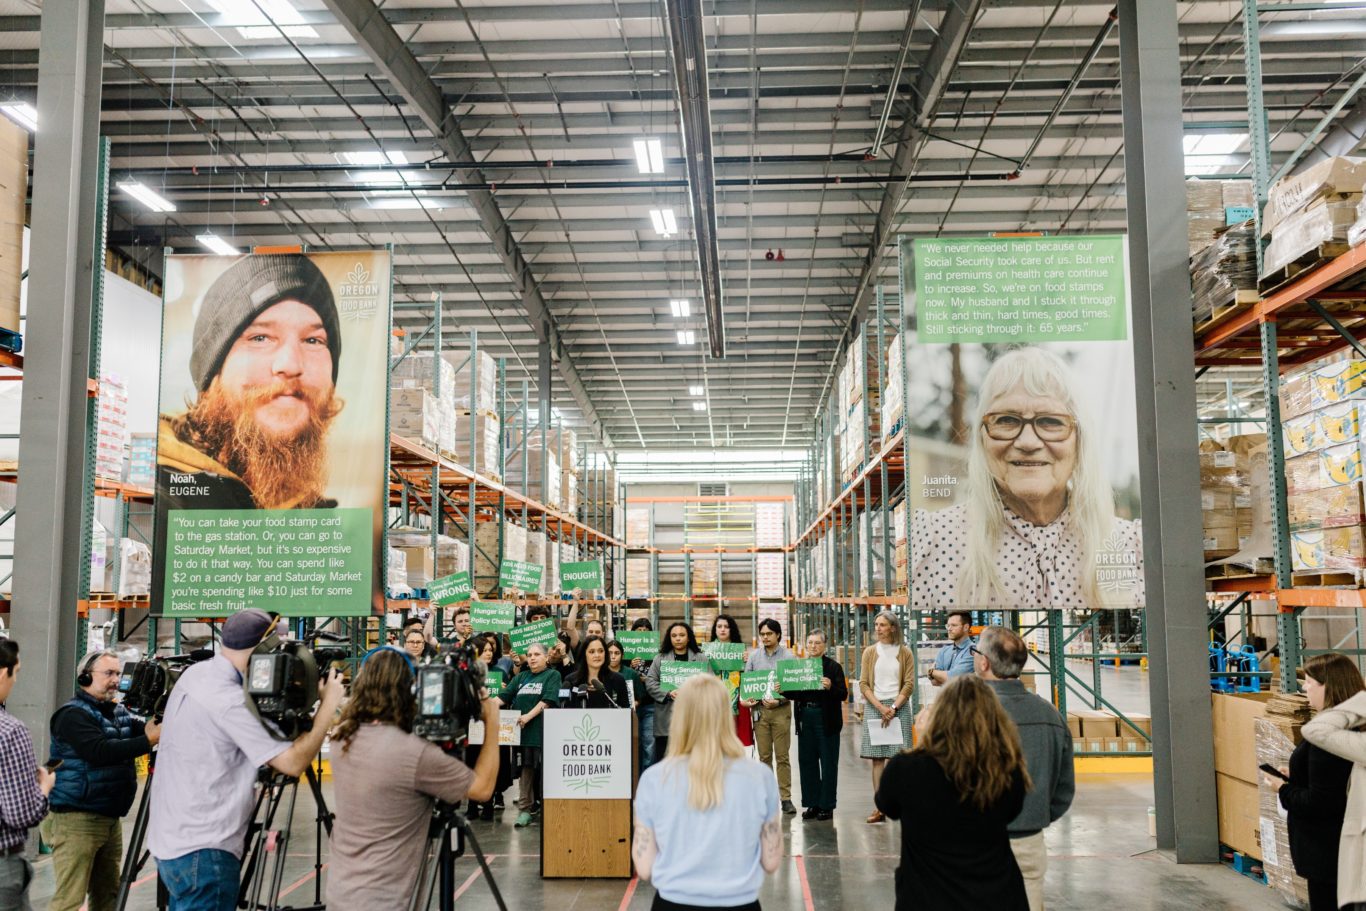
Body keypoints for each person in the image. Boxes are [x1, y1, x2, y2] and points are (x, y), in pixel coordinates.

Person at [911, 346, 1144, 611]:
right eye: (1007, 420)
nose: (1027, 441)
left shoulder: (1130, 546)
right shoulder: (933, 541)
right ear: (982, 437)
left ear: (1080, 439)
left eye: (1051, 422)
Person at [148, 609, 345, 911]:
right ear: (264, 649)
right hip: (205, 850)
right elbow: (292, 763)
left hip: (172, 841)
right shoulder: (230, 702)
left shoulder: (196, 675)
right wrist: (327, 707)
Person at [156, 254, 344, 514]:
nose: (290, 365)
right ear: (213, 373)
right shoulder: (158, 495)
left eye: (313, 341)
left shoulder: (315, 515)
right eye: (260, 338)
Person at [326, 648, 502, 910]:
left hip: (342, 891)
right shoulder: (415, 754)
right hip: (386, 900)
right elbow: (483, 788)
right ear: (410, 689)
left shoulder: (343, 738)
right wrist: (493, 722)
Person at [875, 675, 1031, 911]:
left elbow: (887, 805)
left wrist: (921, 744)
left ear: (939, 717)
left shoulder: (906, 769)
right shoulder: (1006, 770)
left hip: (928, 897)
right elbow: (1012, 812)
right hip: (997, 896)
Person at [633, 674, 782, 910]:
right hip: (739, 901)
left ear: (680, 716)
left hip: (673, 901)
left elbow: (644, 867)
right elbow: (771, 861)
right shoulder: (760, 777)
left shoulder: (654, 779)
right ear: (725, 714)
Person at [43, 651, 161, 911]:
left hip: (109, 818)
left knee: (108, 895)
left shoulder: (116, 712)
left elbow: (142, 728)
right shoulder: (72, 715)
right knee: (69, 899)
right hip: (77, 819)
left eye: (118, 674)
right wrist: (148, 741)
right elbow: (99, 751)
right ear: (85, 677)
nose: (115, 680)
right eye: (108, 673)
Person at [974, 627, 1075, 910]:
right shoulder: (1050, 715)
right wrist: (1032, 816)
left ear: (984, 662)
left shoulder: (965, 713)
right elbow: (1064, 788)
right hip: (1029, 840)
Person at [1284, 654, 1366, 911]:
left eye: (1309, 682)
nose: (1304, 688)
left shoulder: (1330, 739)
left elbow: (1321, 802)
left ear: (1329, 686)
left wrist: (1283, 789)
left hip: (1330, 853)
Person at [0, 639, 56, 911]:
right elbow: (20, 815)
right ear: (3, 672)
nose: (15, 681)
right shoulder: (10, 731)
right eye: (17, 672)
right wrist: (44, 787)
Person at [859, 610, 915, 824]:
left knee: (899, 759)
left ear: (893, 628)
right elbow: (864, 684)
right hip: (876, 706)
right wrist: (881, 708)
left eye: (882, 625)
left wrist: (892, 707)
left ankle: (901, 804)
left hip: (898, 707)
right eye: (876, 625)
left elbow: (909, 684)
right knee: (877, 759)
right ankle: (879, 807)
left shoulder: (905, 653)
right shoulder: (870, 652)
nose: (878, 629)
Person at [786, 630, 847, 822]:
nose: (813, 646)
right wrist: (784, 690)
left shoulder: (833, 667)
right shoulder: (800, 666)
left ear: (824, 645)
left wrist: (831, 687)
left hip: (826, 718)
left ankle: (826, 805)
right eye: (810, 643)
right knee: (807, 761)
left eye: (817, 643)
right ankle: (812, 803)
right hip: (805, 717)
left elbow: (843, 694)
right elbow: (796, 693)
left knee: (828, 762)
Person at [500, 643, 561, 828]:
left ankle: (550, 809)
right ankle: (525, 810)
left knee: (547, 774)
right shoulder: (521, 677)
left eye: (537, 654)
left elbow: (548, 701)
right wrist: (483, 707)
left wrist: (528, 716)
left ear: (546, 658)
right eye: (529, 654)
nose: (532, 658)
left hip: (543, 733)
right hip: (523, 735)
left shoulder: (552, 675)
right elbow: (503, 697)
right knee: (525, 773)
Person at [741, 619, 797, 816]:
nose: (765, 637)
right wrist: (747, 699)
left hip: (781, 712)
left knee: (782, 756)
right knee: (764, 757)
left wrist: (779, 701)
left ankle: (786, 798)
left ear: (778, 635)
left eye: (769, 634)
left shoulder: (789, 657)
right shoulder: (754, 658)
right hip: (760, 712)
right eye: (762, 634)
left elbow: (794, 688)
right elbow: (746, 684)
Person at [466, 635, 514, 819]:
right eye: (484, 650)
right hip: (472, 724)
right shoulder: (468, 673)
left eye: (489, 650)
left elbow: (507, 696)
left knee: (493, 761)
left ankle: (488, 805)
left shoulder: (499, 672)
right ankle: (471, 805)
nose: (488, 653)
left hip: (493, 725)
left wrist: (503, 689)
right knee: (472, 761)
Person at [644, 623, 703, 762]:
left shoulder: (701, 658)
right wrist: (668, 693)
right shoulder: (660, 658)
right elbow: (650, 682)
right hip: (666, 720)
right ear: (669, 638)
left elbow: (709, 684)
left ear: (689, 638)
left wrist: (693, 694)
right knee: (665, 762)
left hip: (693, 719)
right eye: (674, 635)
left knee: (692, 762)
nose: (678, 639)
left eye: (682, 635)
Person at [709, 615, 754, 747]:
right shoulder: (706, 651)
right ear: (715, 630)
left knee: (736, 742)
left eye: (726, 627)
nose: (723, 629)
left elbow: (748, 676)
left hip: (737, 700)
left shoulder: (740, 650)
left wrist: (747, 662)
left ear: (731, 629)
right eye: (719, 626)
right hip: (713, 701)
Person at [565, 636, 631, 710]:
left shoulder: (618, 680)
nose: (597, 655)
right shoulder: (571, 680)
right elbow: (565, 710)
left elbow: (626, 711)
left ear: (605, 654)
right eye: (592, 652)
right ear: (584, 654)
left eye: (601, 651)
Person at [928, 611, 975, 687]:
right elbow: (934, 682)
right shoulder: (944, 651)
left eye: (954, 625)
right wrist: (942, 676)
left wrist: (931, 671)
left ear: (966, 627)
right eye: (948, 625)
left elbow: (953, 678)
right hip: (946, 698)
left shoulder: (973, 651)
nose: (949, 629)